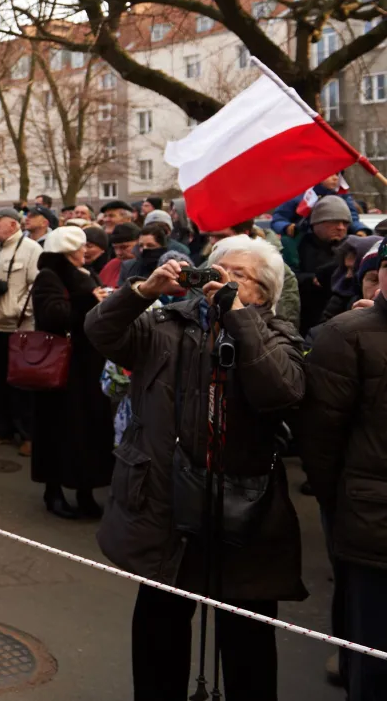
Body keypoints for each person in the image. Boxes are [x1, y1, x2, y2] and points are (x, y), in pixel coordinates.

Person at [86, 237, 306, 701]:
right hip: (164, 507)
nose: (220, 278)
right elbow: (100, 333)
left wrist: (238, 317)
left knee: (247, 641)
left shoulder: (276, 334)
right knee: (158, 630)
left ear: (263, 293)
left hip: (243, 514)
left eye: (238, 275)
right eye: (215, 269)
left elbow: (281, 391)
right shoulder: (166, 324)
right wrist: (143, 291)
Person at [304, 253, 387, 700]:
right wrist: (343, 505)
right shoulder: (346, 336)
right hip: (372, 526)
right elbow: (320, 440)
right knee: (373, 661)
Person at [29, 225, 112, 519]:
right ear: (66, 250)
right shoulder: (49, 277)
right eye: (80, 247)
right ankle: (54, 492)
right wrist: (90, 300)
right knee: (59, 430)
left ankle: (85, 491)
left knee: (87, 432)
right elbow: (52, 316)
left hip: (87, 367)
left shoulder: (87, 274)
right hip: (61, 368)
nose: (85, 252)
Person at [0, 207, 41, 452]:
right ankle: (0, 430)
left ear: (14, 225)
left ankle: (27, 434)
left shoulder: (32, 250)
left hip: (20, 330)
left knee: (22, 385)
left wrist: (19, 311)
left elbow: (37, 287)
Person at [293, 194, 353, 331]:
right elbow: (287, 276)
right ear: (317, 223)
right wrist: (310, 279)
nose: (341, 228)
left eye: (345, 223)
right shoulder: (298, 244)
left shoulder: (351, 248)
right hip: (307, 316)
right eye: (335, 222)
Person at [271, 173, 364, 241]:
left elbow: (352, 218)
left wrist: (359, 229)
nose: (335, 178)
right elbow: (279, 218)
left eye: (337, 175)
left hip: (337, 242)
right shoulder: (299, 195)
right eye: (330, 174)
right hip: (303, 241)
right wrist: (286, 227)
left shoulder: (343, 196)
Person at [99, 222, 140, 289]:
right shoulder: (112, 265)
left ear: (139, 243)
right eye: (115, 248)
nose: (119, 253)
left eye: (124, 247)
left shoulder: (148, 268)